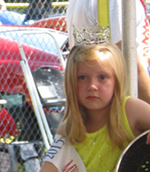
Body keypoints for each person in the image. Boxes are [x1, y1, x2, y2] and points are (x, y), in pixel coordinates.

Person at [40, 44, 150, 172]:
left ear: (116, 81)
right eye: (82, 77)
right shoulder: (69, 130)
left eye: (102, 77)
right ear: (71, 82)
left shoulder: (129, 110)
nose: (92, 86)